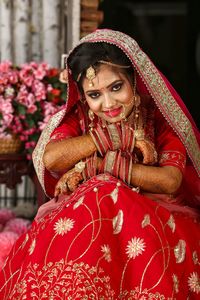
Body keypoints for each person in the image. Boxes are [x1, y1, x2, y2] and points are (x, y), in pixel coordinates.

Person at [0, 29, 199, 299]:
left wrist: (108, 166)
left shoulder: (160, 118)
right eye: (95, 94)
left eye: (116, 87)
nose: (108, 104)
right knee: (99, 193)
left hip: (153, 222)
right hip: (86, 228)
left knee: (104, 190)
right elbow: (51, 157)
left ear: (133, 79)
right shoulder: (79, 117)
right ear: (82, 95)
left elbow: (170, 180)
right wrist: (108, 138)